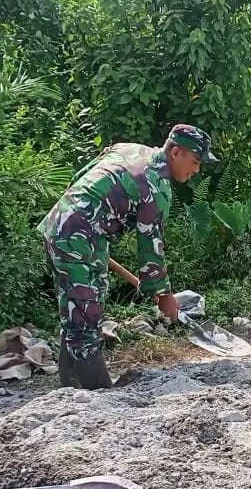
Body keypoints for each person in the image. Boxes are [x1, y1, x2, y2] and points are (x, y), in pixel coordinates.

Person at [40, 124, 217, 390]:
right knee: (86, 319)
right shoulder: (155, 187)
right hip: (79, 239)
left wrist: (85, 231)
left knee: (76, 312)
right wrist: (164, 295)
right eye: (194, 162)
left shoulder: (129, 149)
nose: (196, 170)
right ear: (176, 152)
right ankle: (97, 391)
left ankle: (72, 386)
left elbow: (80, 177)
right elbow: (150, 248)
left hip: (64, 224)